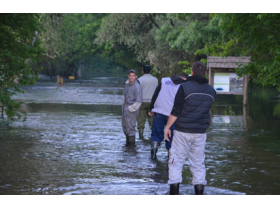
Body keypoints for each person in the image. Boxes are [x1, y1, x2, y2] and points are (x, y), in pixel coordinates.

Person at [164, 61, 216, 195]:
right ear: (205, 73)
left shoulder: (184, 87)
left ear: (191, 73)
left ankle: (174, 196)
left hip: (182, 131)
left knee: (175, 162)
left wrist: (167, 127)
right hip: (200, 133)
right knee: (198, 164)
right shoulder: (211, 91)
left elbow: (176, 111)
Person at [148, 72, 188, 159]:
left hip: (159, 111)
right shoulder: (184, 86)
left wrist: (151, 109)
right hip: (172, 115)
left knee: (156, 134)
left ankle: (154, 151)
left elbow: (155, 95)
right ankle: (170, 157)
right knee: (171, 136)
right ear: (185, 79)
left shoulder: (164, 80)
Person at [137, 65, 158, 139]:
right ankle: (153, 136)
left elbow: (137, 92)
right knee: (152, 120)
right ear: (150, 71)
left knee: (141, 119)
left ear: (143, 72)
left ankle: (141, 137)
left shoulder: (139, 80)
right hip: (152, 102)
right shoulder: (155, 80)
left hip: (142, 102)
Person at [122, 69, 142, 145]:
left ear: (136, 77)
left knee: (130, 128)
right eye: (130, 75)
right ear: (128, 76)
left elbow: (138, 102)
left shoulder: (137, 87)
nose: (131, 77)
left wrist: (130, 109)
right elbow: (124, 95)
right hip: (125, 108)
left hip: (131, 110)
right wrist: (123, 104)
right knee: (125, 127)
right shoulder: (127, 84)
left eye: (133, 76)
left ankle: (131, 148)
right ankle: (127, 146)